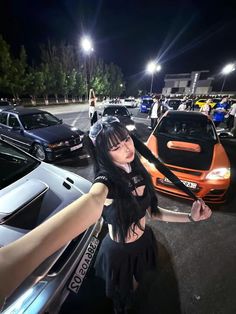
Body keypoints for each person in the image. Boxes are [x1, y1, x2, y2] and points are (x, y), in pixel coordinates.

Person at [0, 117, 212, 313]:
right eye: (115, 147)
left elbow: (153, 213)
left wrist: (191, 217)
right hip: (120, 252)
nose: (126, 148)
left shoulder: (138, 171)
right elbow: (93, 200)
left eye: (126, 139)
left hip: (144, 242)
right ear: (104, 153)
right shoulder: (105, 182)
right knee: (122, 296)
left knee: (138, 284)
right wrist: (11, 263)